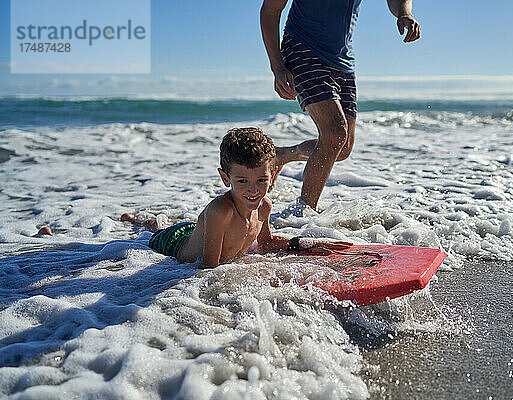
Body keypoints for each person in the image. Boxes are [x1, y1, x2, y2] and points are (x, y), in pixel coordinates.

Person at [262, 0, 421, 217]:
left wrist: (404, 13)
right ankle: (303, 215)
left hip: (342, 60)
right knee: (335, 134)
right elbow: (271, 10)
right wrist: (278, 67)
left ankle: (283, 155)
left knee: (342, 146)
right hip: (303, 47)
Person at [122, 127, 351, 266]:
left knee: (184, 228)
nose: (254, 190)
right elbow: (207, 268)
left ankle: (146, 222)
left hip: (200, 231)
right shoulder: (220, 211)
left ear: (273, 174)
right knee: (155, 231)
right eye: (242, 181)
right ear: (225, 178)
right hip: (174, 242)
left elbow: (267, 243)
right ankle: (139, 222)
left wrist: (307, 245)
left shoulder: (264, 207)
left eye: (262, 180)